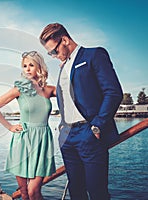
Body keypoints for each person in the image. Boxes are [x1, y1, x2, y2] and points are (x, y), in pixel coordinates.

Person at [39, 23, 123, 200]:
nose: (54, 56)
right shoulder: (63, 67)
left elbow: (113, 92)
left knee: (97, 191)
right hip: (68, 136)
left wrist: (98, 125)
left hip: (89, 132)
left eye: (54, 51)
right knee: (76, 192)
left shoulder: (94, 55)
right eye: (50, 54)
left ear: (65, 40)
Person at [0, 51, 56, 200]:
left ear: (40, 67)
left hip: (42, 141)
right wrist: (10, 127)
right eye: (24, 66)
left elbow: (74, 94)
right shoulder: (20, 89)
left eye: (31, 65)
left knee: (34, 191)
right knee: (25, 193)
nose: (27, 69)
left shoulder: (50, 90)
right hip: (23, 141)